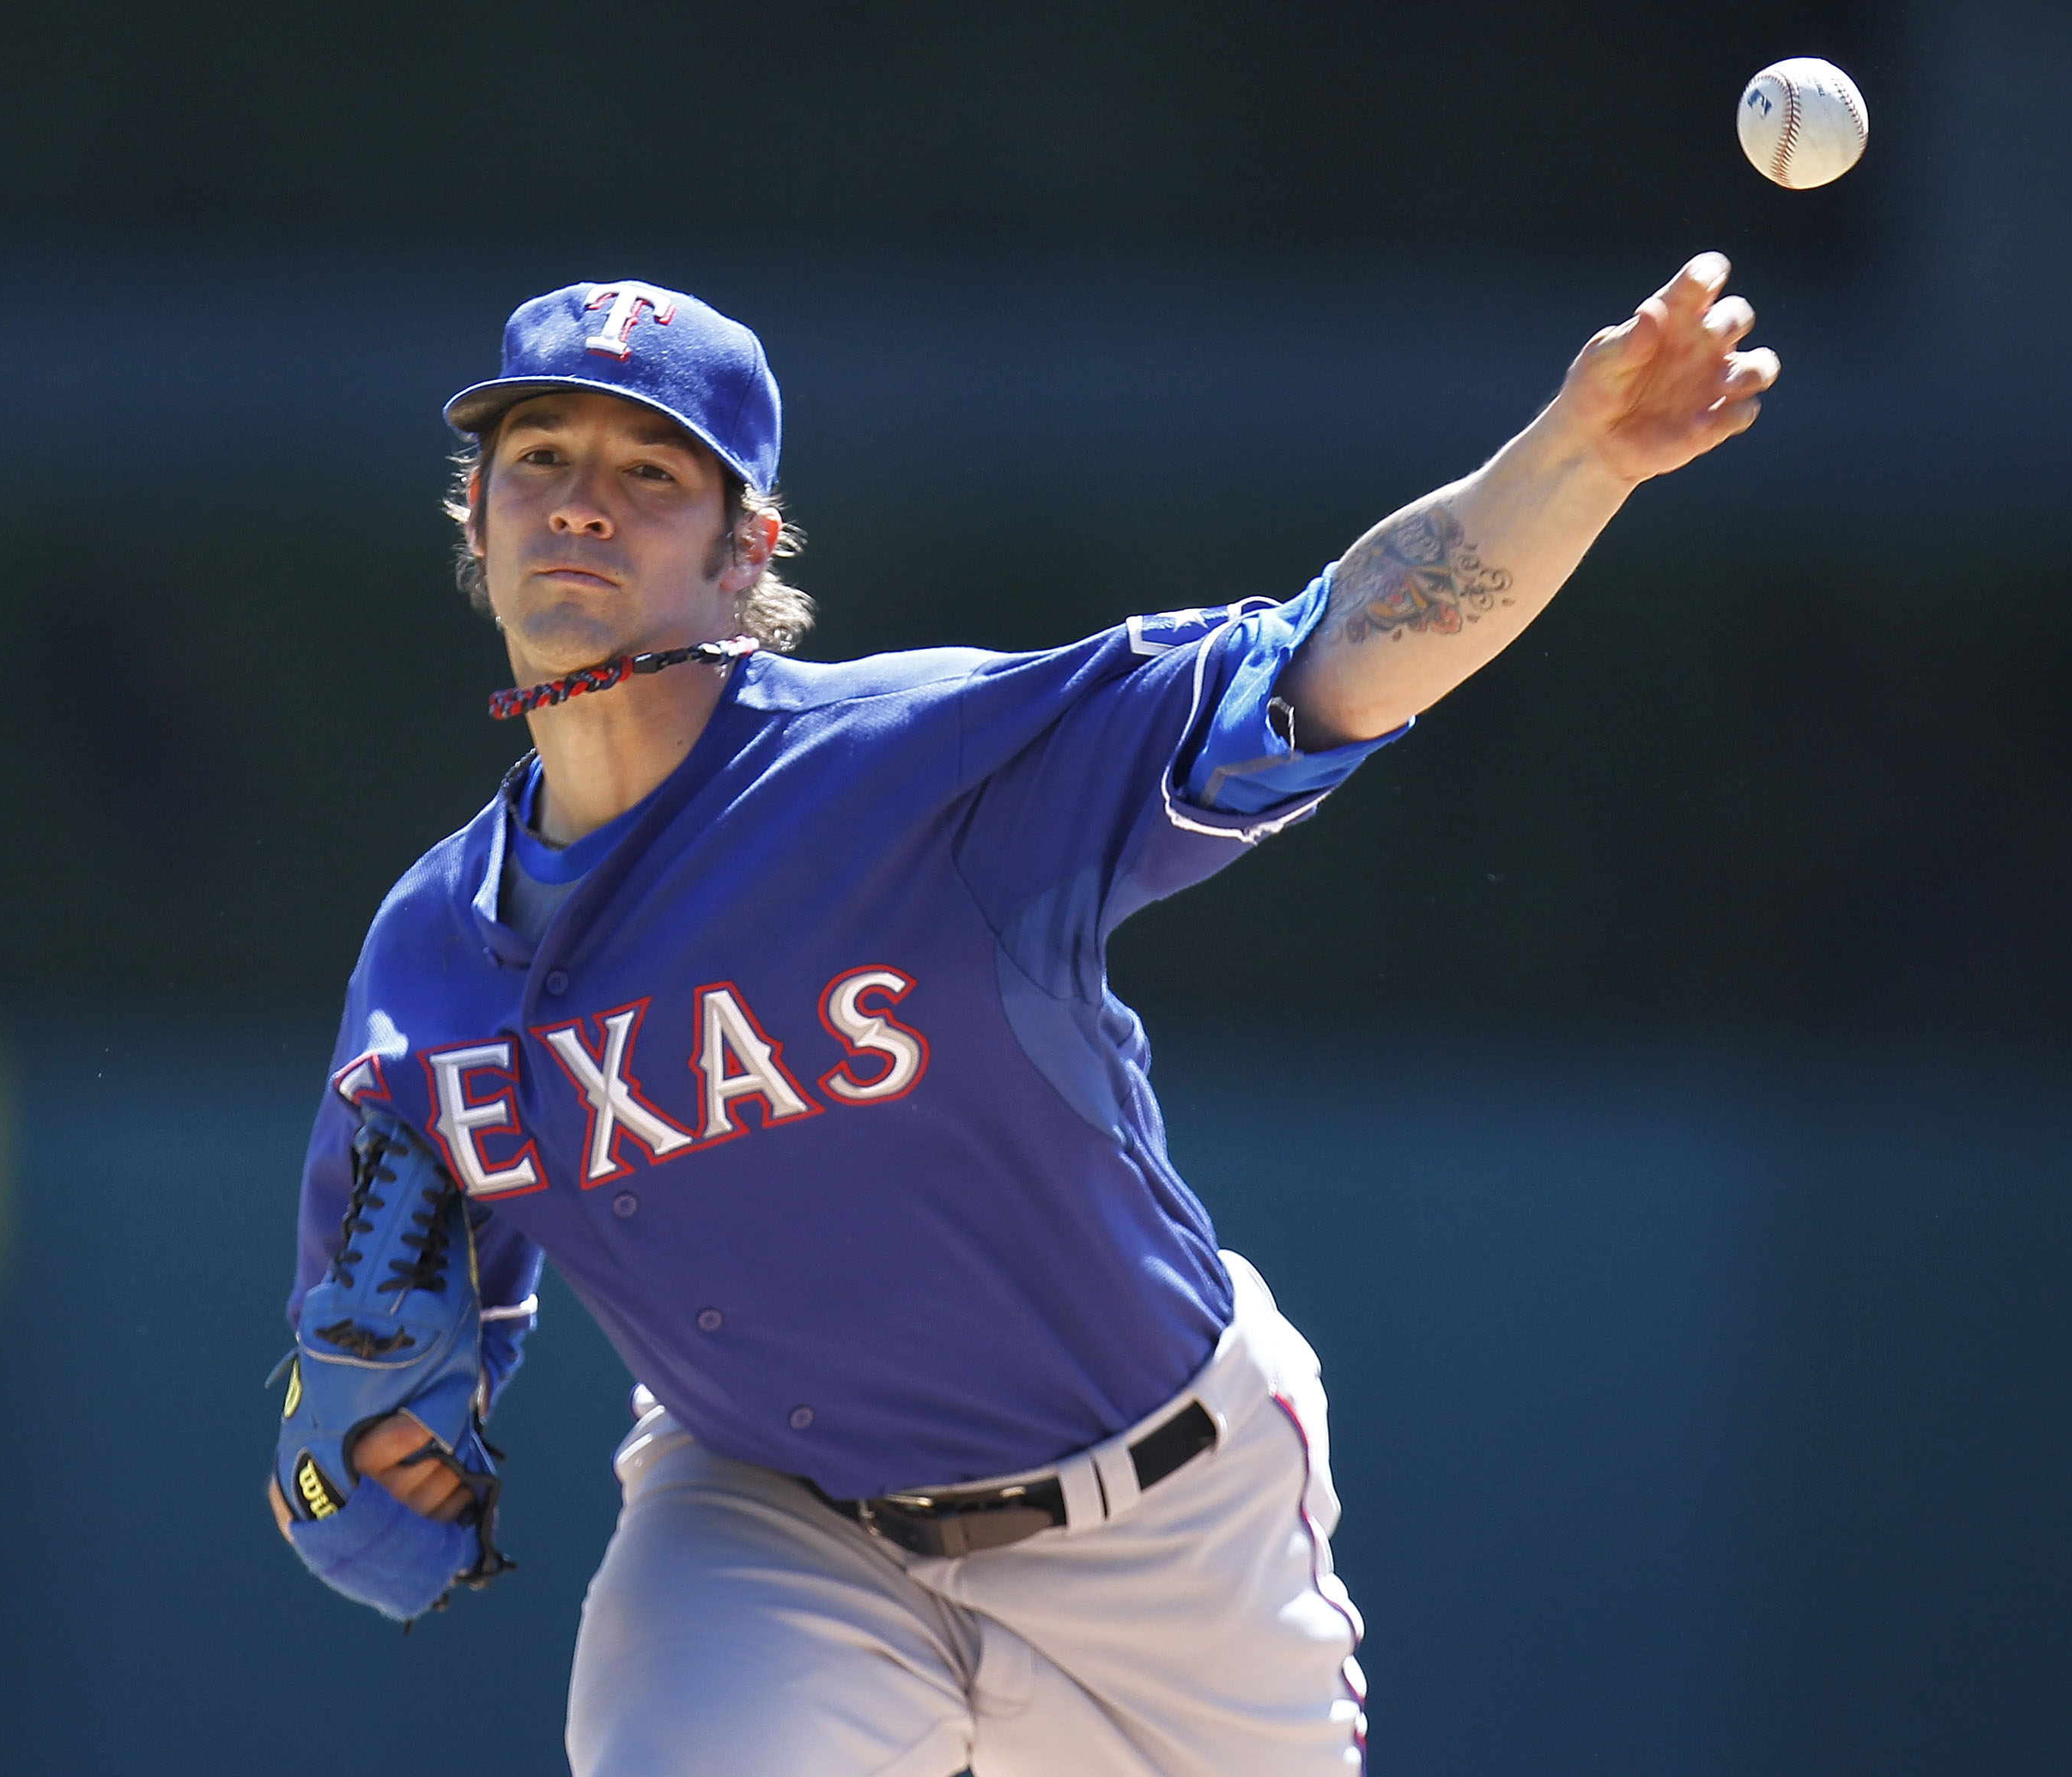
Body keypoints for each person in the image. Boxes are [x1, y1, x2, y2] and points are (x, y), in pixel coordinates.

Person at [269, 261, 1775, 1774]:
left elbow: (1333, 660)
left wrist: (1579, 459)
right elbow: (357, 1397)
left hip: (1167, 1521)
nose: (583, 501)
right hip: (768, 1517)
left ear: (750, 551)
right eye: (539, 459)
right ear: (477, 516)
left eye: (653, 470)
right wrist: (370, 1464)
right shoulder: (426, 963)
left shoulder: (919, 771)